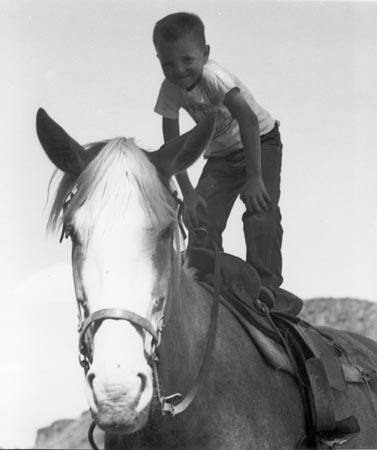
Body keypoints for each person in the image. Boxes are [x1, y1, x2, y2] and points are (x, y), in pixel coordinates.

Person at [153, 12, 284, 306]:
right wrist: (187, 193)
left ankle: (265, 284)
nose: (178, 70)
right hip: (222, 156)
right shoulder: (169, 90)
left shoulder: (214, 77)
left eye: (187, 60)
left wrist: (254, 177)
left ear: (205, 53)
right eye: (168, 63)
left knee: (260, 208)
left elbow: (248, 120)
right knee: (200, 215)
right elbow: (173, 146)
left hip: (260, 141)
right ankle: (209, 277)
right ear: (159, 60)